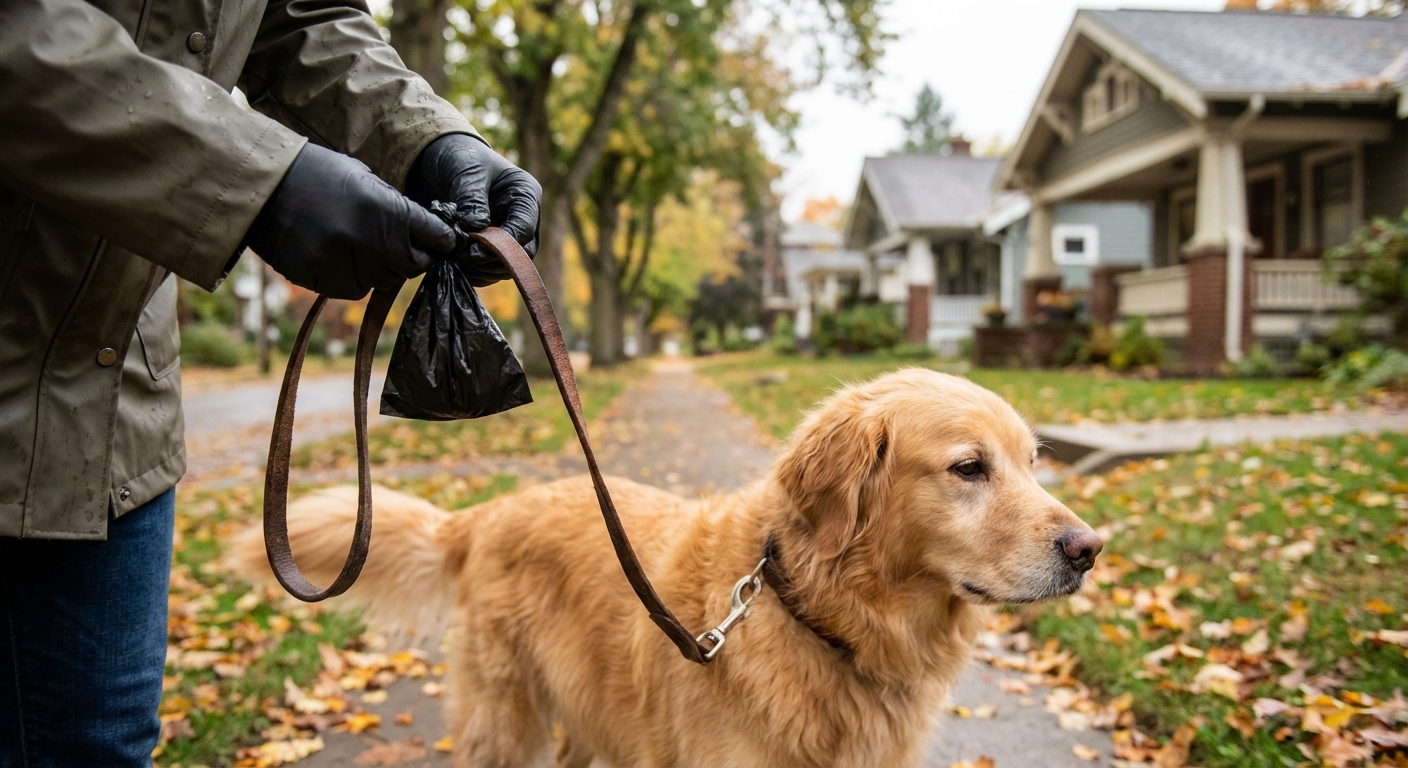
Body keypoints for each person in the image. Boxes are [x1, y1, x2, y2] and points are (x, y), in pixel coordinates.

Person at [0, 0, 541, 762]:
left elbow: (299, 15)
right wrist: (254, 181)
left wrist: (430, 140)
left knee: (98, 748)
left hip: (110, 400)